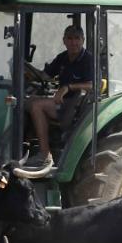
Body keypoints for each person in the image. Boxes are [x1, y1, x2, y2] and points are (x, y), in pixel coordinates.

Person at [24, 23, 93, 166]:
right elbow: (45, 76)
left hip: (74, 106)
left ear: (83, 40)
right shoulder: (63, 58)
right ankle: (26, 146)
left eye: (77, 38)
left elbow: (93, 85)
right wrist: (28, 71)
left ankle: (45, 155)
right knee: (27, 102)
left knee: (36, 106)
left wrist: (68, 87)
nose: (73, 42)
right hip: (61, 102)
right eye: (70, 38)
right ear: (64, 40)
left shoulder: (88, 60)